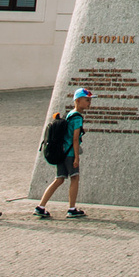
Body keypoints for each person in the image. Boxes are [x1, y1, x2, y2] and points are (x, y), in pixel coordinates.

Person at [36, 87, 90, 218]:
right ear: (77, 100)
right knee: (75, 177)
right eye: (86, 100)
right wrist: (76, 158)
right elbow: (75, 139)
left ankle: (41, 206)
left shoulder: (69, 114)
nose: (89, 103)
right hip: (70, 154)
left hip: (61, 152)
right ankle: (72, 208)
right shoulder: (77, 117)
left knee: (59, 179)